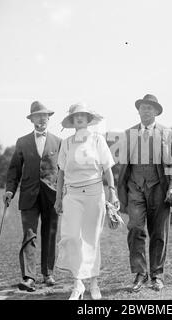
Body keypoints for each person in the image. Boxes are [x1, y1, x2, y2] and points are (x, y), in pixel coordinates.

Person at [117, 94, 172, 292]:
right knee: (135, 227)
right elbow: (122, 167)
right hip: (135, 188)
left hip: (160, 189)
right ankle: (140, 273)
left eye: (150, 108)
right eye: (143, 107)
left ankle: (157, 275)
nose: (146, 111)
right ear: (138, 110)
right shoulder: (128, 134)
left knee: (159, 233)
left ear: (156, 112)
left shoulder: (168, 133)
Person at [54, 102, 118, 300]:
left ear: (89, 120)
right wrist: (58, 199)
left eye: (83, 115)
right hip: (72, 196)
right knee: (72, 237)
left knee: (91, 239)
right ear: (72, 121)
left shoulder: (98, 140)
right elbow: (61, 173)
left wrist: (113, 193)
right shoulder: (66, 143)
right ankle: (77, 284)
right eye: (76, 116)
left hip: (94, 194)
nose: (79, 118)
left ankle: (94, 283)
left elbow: (107, 169)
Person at [3, 101, 61, 292]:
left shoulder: (58, 142)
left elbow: (63, 171)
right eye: (37, 116)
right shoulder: (22, 142)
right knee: (29, 234)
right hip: (28, 195)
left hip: (51, 196)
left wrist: (63, 193)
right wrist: (10, 190)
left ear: (48, 118)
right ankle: (29, 277)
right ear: (32, 120)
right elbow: (14, 169)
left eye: (44, 116)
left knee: (50, 234)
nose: (41, 120)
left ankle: (48, 273)